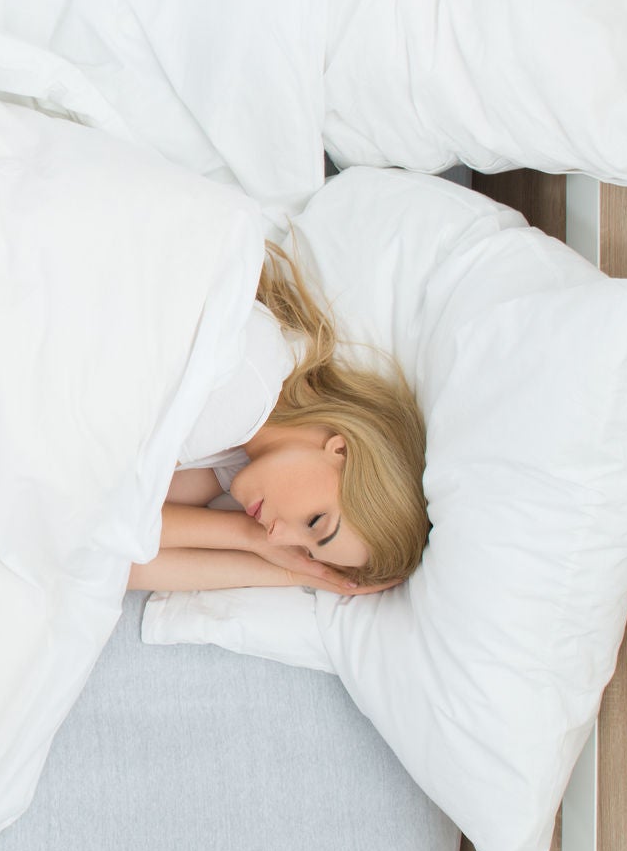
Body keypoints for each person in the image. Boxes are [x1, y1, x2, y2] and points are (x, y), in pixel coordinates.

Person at [130, 241, 428, 598]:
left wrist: (290, 572)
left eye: (305, 550)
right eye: (315, 523)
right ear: (341, 450)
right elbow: (99, 520)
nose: (276, 536)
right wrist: (246, 536)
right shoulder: (245, 389)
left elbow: (120, 559)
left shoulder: (242, 448)